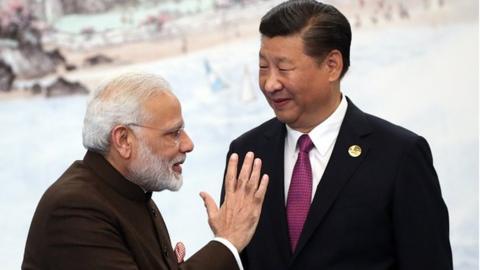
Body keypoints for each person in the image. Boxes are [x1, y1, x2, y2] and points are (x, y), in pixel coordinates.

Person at [221, 1, 453, 269]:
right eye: (263, 67)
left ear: (332, 65)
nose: (270, 83)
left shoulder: (399, 155)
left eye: (283, 68)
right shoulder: (247, 154)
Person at [22, 73, 269, 270]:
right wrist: (227, 242)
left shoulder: (129, 192)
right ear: (123, 140)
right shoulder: (74, 208)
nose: (188, 144)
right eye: (174, 133)